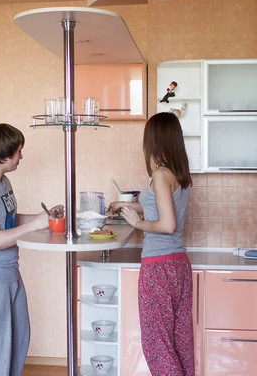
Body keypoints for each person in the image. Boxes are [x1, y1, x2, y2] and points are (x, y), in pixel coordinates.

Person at [0, 123, 63, 376]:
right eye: (18, 151)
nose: (21, 156)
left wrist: (42, 217)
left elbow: (9, 220)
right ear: (4, 155)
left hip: (9, 273)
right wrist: (35, 226)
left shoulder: (2, 182)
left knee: (17, 342)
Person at [109, 112, 193, 376]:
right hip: (178, 266)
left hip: (158, 268)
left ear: (154, 141)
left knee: (158, 344)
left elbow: (166, 225)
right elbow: (159, 208)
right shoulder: (180, 175)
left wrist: (138, 224)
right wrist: (126, 206)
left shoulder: (159, 175)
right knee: (179, 342)